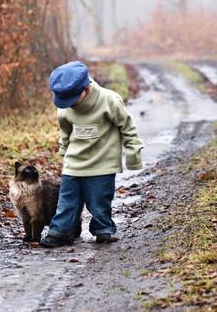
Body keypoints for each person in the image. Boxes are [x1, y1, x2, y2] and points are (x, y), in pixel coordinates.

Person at [40, 61, 144, 247]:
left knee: (99, 201)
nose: (69, 104)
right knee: (66, 201)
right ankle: (60, 231)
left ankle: (103, 229)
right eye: (65, 100)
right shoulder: (64, 107)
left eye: (73, 98)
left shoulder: (109, 100)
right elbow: (66, 131)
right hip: (74, 163)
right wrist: (64, 150)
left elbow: (128, 127)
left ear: (85, 88)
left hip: (102, 163)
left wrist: (133, 151)